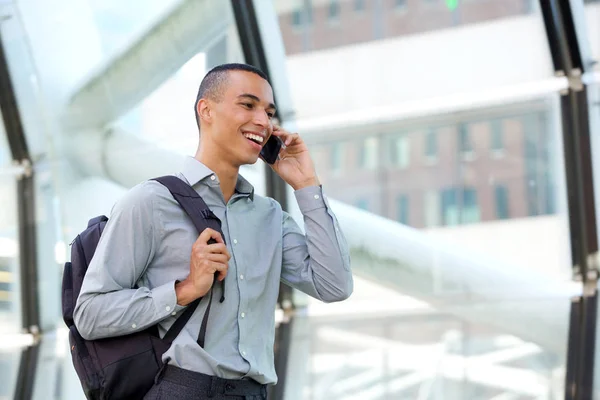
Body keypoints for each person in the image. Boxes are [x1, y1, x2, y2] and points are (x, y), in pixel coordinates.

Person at [73, 63, 353, 400]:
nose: (263, 121)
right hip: (182, 388)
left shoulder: (269, 217)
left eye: (268, 111)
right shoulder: (150, 203)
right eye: (248, 105)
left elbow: (334, 285)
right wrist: (184, 290)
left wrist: (306, 184)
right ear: (206, 110)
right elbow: (89, 313)